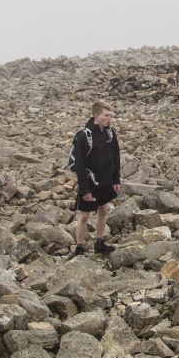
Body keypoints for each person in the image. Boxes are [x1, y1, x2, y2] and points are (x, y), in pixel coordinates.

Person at [70, 101, 121, 255]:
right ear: (96, 115)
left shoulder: (110, 133)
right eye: (106, 115)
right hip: (90, 182)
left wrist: (116, 179)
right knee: (85, 215)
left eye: (110, 115)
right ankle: (79, 247)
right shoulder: (84, 136)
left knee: (103, 209)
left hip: (105, 180)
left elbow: (115, 157)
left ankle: (99, 242)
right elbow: (79, 165)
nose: (109, 118)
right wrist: (85, 189)